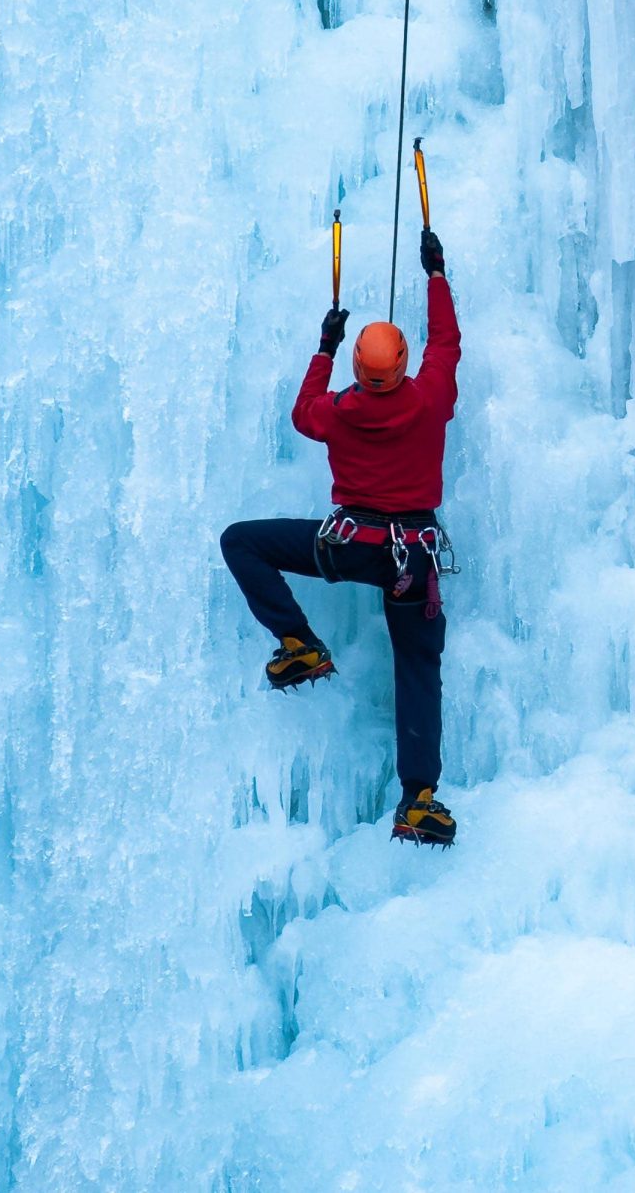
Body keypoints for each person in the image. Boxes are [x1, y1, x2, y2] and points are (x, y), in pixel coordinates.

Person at [220, 226, 462, 846]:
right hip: (413, 559)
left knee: (242, 541)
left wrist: (324, 346)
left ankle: (299, 642)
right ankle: (419, 801)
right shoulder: (430, 399)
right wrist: (436, 274)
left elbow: (304, 410)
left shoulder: (336, 412)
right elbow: (447, 342)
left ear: (357, 366)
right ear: (404, 366)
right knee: (416, 666)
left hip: (349, 546)